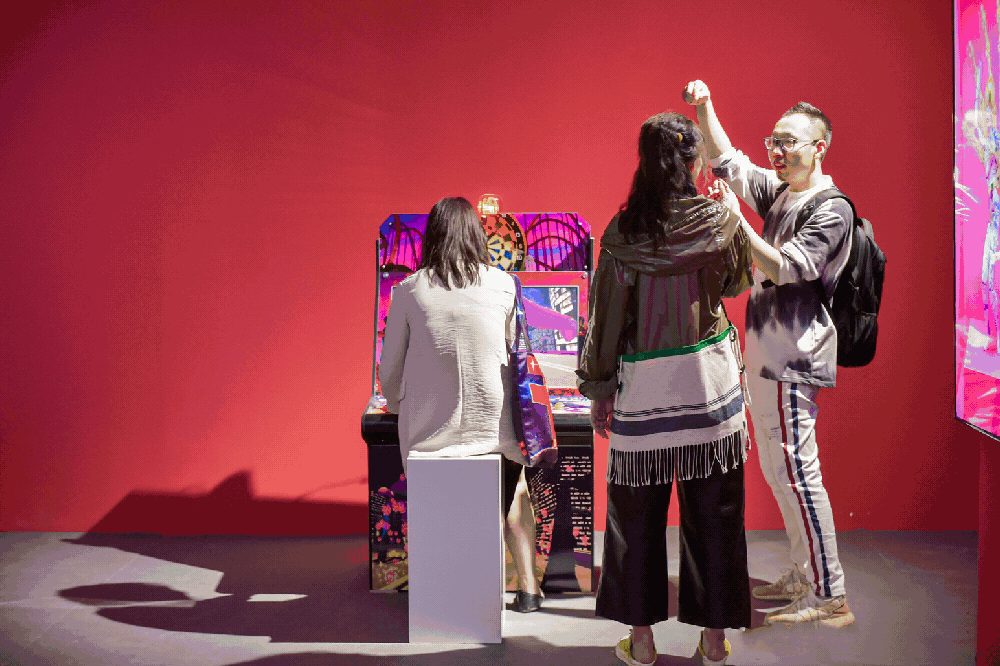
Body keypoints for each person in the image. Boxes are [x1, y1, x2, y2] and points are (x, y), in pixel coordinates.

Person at [578, 111, 753, 666]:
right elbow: (736, 282)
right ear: (694, 161)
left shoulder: (622, 234)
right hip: (710, 391)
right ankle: (715, 641)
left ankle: (643, 642)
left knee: (636, 522)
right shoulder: (718, 220)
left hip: (644, 395)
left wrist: (599, 389)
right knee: (717, 516)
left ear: (645, 162)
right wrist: (730, 214)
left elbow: (607, 321)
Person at [684, 79, 856, 627]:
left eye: (789, 143)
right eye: (773, 142)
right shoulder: (783, 192)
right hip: (769, 356)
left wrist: (736, 221)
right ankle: (806, 573)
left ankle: (830, 595)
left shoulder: (832, 209)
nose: (777, 152)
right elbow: (727, 161)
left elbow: (786, 269)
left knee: (799, 475)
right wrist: (706, 107)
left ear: (820, 147)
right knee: (782, 474)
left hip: (793, 359)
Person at [379, 196, 543, 612]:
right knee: (515, 485)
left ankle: (443, 593)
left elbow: (389, 370)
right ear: (477, 235)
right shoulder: (505, 284)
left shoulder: (408, 289)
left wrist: (397, 402)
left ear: (432, 236)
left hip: (429, 442)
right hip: (494, 437)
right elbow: (516, 355)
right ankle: (528, 587)